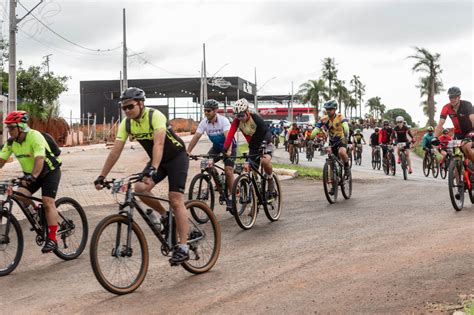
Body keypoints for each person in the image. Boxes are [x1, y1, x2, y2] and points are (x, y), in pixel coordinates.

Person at [94, 87, 190, 265]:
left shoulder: (155, 116)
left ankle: (183, 247)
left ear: (140, 103)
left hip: (177, 157)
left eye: (130, 106)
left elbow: (159, 144)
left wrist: (153, 167)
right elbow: (115, 151)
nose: (127, 111)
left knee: (175, 199)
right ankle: (164, 215)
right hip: (158, 161)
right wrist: (102, 175)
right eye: (124, 108)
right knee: (140, 188)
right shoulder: (127, 124)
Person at [0, 111, 62, 253]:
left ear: (21, 127)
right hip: (31, 175)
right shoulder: (11, 143)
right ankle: (36, 213)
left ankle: (52, 239)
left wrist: (33, 176)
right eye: (8, 128)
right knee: (20, 195)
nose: (9, 131)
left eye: (12, 128)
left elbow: (39, 159)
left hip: (49, 172)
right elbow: (1, 161)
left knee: (47, 202)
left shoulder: (35, 136)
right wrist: (31, 176)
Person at [187, 99, 236, 210]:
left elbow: (229, 137)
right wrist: (188, 151)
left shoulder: (223, 121)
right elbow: (196, 136)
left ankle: (232, 197)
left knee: (228, 170)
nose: (206, 113)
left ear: (215, 111)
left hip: (229, 147)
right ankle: (221, 190)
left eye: (208, 111)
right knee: (207, 165)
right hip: (216, 147)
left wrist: (228, 151)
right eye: (205, 111)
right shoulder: (204, 122)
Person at [222, 99, 275, 197]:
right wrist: (225, 148)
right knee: (250, 170)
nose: (240, 118)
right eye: (237, 115)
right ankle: (256, 193)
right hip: (253, 146)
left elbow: (267, 132)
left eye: (242, 115)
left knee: (264, 161)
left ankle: (270, 179)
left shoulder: (255, 118)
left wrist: (264, 142)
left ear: (247, 111)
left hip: (266, 143)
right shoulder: (237, 121)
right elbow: (230, 135)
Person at [434, 86, 474, 162]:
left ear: (459, 97)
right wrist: (435, 137)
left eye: (454, 97)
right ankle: (456, 169)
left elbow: (472, 118)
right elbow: (440, 124)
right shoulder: (446, 107)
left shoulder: (467, 105)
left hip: (470, 131)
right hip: (458, 133)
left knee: (467, 147)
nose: (452, 99)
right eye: (450, 97)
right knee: (454, 153)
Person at [311, 100, 350, 175]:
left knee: (341, 152)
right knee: (331, 160)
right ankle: (333, 181)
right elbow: (316, 129)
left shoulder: (340, 116)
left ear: (335, 109)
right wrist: (311, 139)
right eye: (327, 109)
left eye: (330, 109)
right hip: (332, 141)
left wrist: (346, 136)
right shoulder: (324, 119)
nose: (328, 111)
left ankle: (346, 167)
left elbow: (346, 126)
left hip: (341, 139)